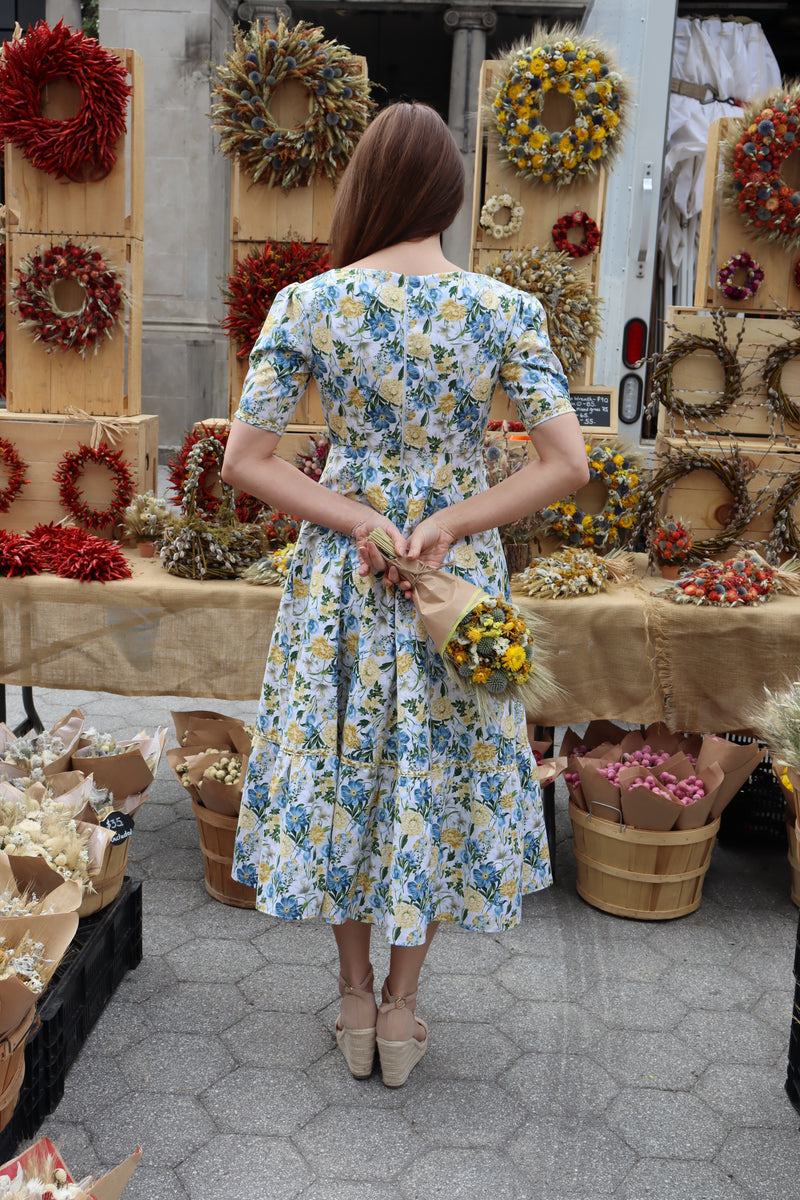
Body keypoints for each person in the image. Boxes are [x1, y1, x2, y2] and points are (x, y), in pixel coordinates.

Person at [221, 101, 589, 1087]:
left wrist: (350, 515)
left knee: (345, 766)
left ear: (365, 188)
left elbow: (245, 460)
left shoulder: (307, 303)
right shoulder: (504, 310)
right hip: (451, 580)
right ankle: (401, 1008)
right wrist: (460, 518)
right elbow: (566, 462)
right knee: (440, 770)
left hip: (344, 579)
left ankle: (349, 995)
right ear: (450, 193)